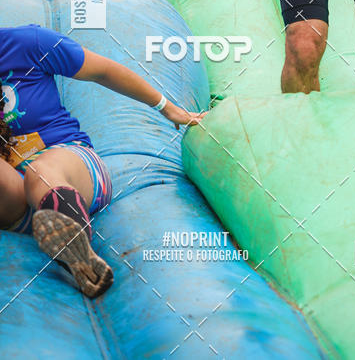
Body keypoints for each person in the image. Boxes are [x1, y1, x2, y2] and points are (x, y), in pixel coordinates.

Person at [0, 24, 206, 298]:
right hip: (14, 201)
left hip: (69, 166)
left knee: (42, 173)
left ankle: (76, 247)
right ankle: (59, 236)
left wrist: (168, 109)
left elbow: (104, 71)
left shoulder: (25, 44)